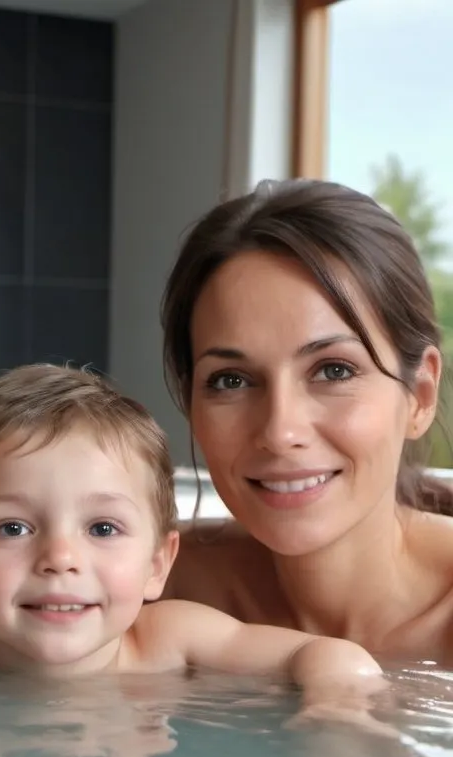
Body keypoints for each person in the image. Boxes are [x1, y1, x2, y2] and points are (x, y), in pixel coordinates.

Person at [0, 364, 387, 722]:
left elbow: (329, 655)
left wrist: (337, 708)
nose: (60, 559)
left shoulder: (171, 641)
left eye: (102, 529)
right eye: (13, 528)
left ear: (159, 564)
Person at [160, 177, 453, 664]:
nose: (280, 432)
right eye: (231, 380)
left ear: (420, 395)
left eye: (334, 370)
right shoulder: (149, 587)